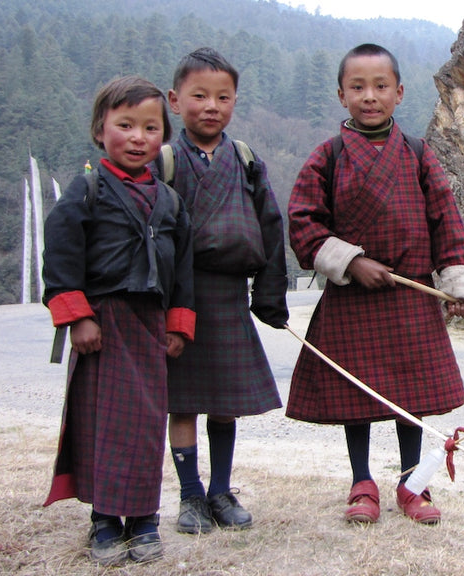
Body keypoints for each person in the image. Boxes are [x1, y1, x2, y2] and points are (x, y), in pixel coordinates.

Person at [286, 43, 464, 525]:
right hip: (352, 296)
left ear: (399, 92)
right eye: (358, 87)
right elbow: (303, 223)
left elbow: (446, 221)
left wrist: (457, 285)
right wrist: (351, 262)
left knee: (409, 398)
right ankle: (361, 483)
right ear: (340, 94)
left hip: (411, 292)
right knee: (358, 395)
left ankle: (413, 483)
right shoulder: (326, 157)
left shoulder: (417, 154)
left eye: (380, 87)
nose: (369, 96)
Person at [42, 75, 195, 565]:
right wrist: (78, 318)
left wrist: (177, 324)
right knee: (101, 425)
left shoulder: (170, 201)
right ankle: (105, 522)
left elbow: (183, 269)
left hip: (150, 327)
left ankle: (145, 521)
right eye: (125, 125)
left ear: (163, 136)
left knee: (147, 425)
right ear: (100, 129)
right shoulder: (86, 190)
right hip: (101, 327)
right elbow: (61, 258)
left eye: (151, 127)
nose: (137, 137)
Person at [158, 47, 289, 535]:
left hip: (231, 292)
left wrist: (269, 294)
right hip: (183, 295)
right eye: (199, 96)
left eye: (223, 97)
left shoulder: (245, 159)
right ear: (175, 100)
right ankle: (190, 495)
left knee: (225, 400)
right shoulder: (165, 160)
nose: (211, 106)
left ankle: (221, 490)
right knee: (183, 401)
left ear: (234, 102)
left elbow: (270, 224)